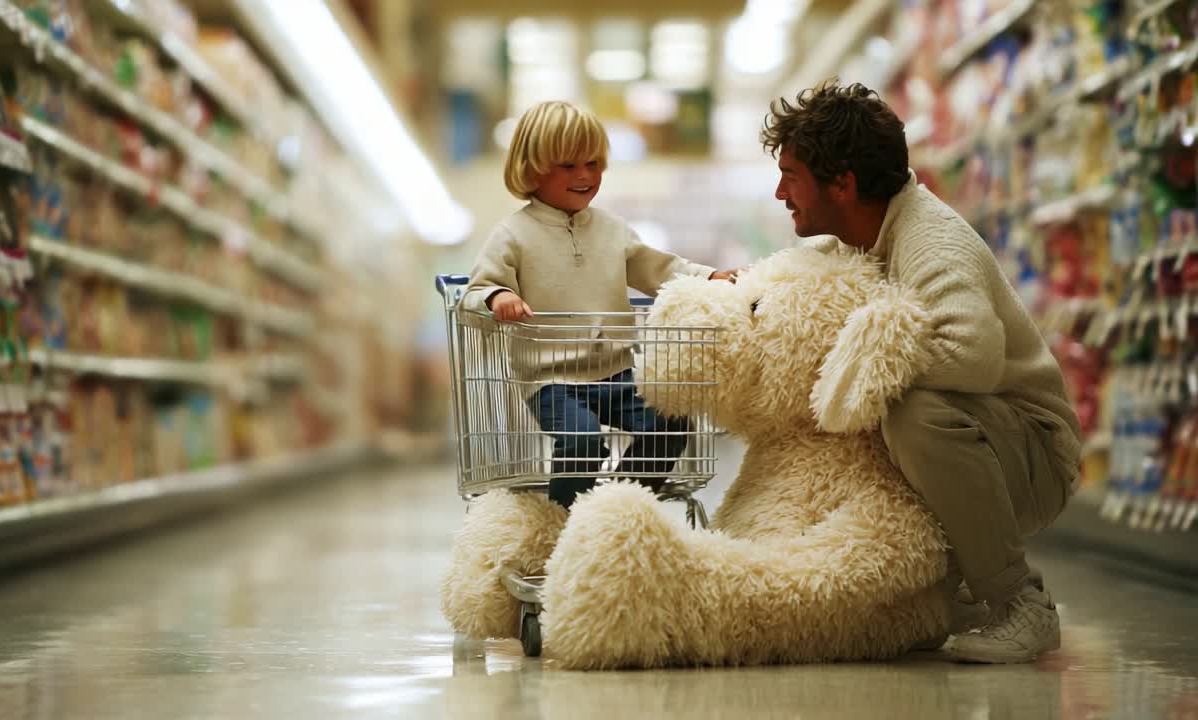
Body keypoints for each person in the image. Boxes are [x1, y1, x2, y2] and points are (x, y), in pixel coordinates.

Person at [760, 80, 1081, 664]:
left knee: (914, 415)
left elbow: (973, 357)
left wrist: (853, 357)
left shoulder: (931, 238)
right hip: (989, 437)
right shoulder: (861, 234)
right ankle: (940, 593)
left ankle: (1018, 601)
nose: (781, 191)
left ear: (843, 183)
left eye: (792, 175)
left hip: (1031, 449)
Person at [462, 100, 737, 508]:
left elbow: (658, 268)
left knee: (669, 425)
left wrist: (707, 277)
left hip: (616, 371)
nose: (585, 176)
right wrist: (498, 296)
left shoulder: (612, 229)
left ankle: (614, 512)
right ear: (532, 168)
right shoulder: (512, 235)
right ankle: (562, 527)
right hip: (553, 381)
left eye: (593, 164)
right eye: (568, 165)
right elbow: (474, 293)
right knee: (582, 441)